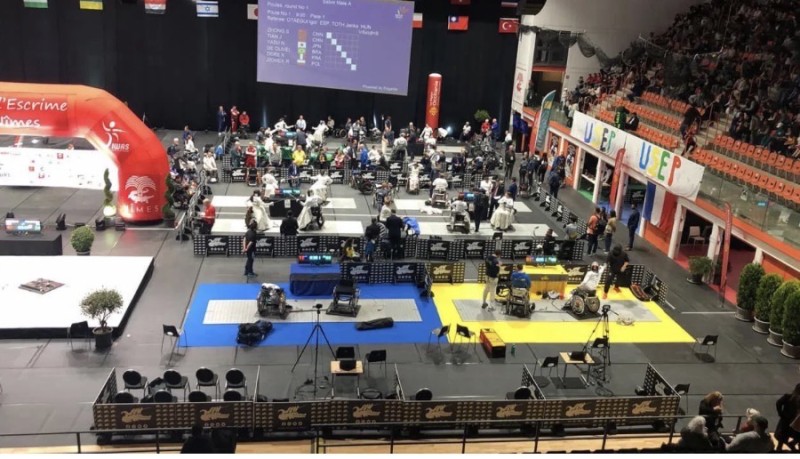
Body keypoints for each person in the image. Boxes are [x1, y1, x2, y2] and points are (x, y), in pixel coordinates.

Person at [775, 383, 800, 451]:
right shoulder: (788, 397)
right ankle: (790, 445)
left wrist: (781, 413)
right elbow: (778, 403)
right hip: (790, 420)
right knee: (784, 436)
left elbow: (778, 403)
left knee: (783, 437)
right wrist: (781, 413)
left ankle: (786, 446)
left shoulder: (788, 397)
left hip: (790, 420)